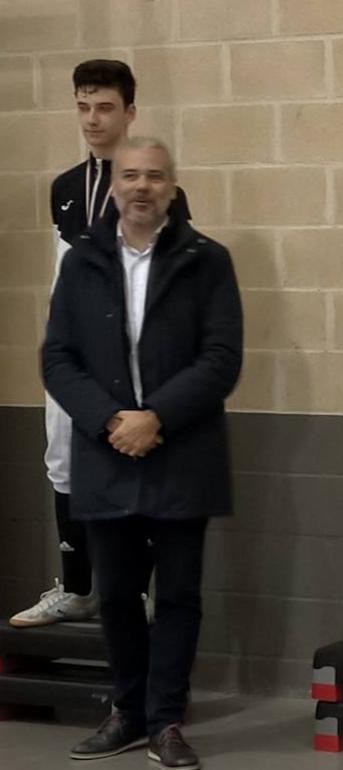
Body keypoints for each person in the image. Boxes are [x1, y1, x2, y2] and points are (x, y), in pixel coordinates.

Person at [43, 136, 242, 770]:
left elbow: (221, 359)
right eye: (130, 175)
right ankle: (126, 714)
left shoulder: (207, 260)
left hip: (181, 449)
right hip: (106, 452)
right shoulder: (80, 261)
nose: (141, 186)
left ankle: (166, 722)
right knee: (119, 593)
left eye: (154, 176)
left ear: (172, 185)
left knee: (179, 595)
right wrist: (110, 421)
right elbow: (57, 358)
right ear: (114, 184)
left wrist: (156, 417)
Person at [11, 59, 190, 630]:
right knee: (62, 459)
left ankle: (135, 592)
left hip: (135, 361)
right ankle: (77, 586)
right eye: (84, 106)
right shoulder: (65, 188)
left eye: (105, 107)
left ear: (129, 112)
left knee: (134, 468)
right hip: (74, 360)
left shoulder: (151, 185)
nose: (93, 119)